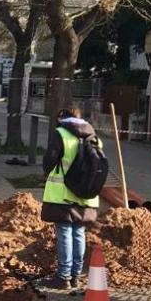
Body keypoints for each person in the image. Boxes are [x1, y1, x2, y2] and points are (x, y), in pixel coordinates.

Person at [40, 105, 101, 290]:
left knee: (65, 232)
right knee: (79, 232)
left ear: (62, 118)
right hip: (86, 194)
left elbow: (49, 161)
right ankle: (75, 276)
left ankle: (63, 276)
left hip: (63, 194)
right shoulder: (94, 137)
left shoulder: (61, 134)